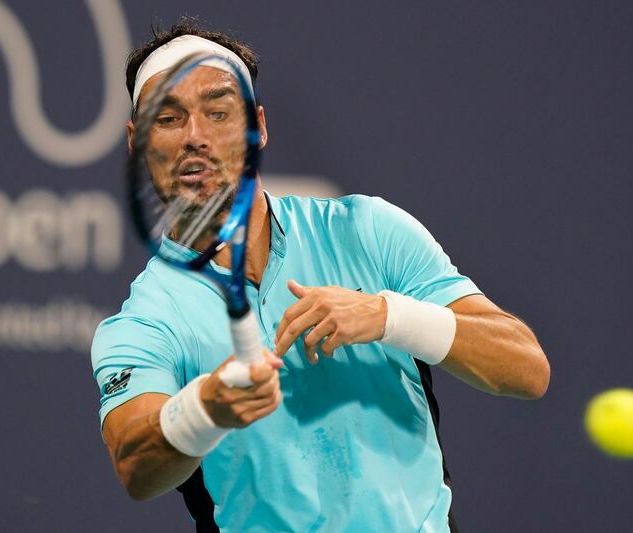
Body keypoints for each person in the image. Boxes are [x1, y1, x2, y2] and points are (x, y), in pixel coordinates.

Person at [92, 18, 550, 533]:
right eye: (169, 119)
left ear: (257, 126)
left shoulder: (369, 231)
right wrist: (206, 408)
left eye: (218, 112)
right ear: (136, 141)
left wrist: (389, 315)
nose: (195, 136)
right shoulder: (144, 322)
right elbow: (136, 467)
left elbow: (526, 368)